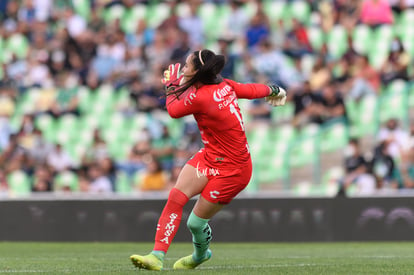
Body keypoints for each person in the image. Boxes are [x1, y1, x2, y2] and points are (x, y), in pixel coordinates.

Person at [130, 49, 286, 270]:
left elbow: (173, 110)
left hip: (234, 170)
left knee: (195, 222)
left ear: (198, 71)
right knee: (175, 197)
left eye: (186, 65)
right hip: (211, 157)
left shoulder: (202, 97)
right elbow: (250, 89)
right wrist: (274, 89)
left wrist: (172, 83)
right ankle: (156, 256)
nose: (183, 68)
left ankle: (200, 255)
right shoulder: (225, 86)